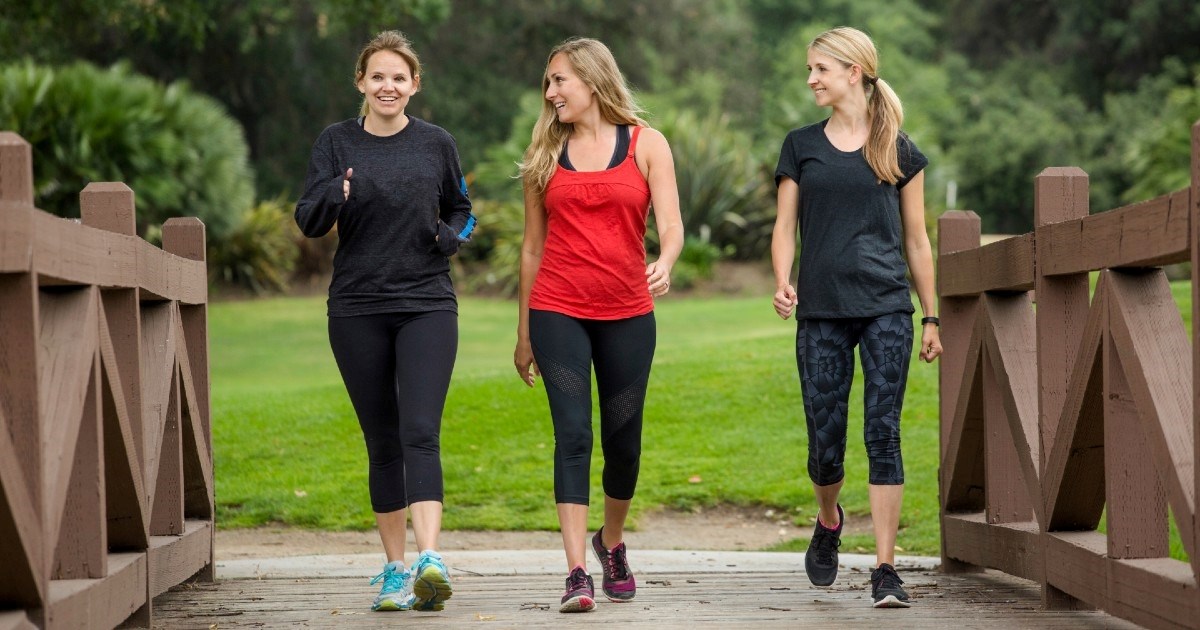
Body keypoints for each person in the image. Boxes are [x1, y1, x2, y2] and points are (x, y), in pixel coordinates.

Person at [294, 29, 475, 613]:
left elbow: (463, 208)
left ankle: (430, 560)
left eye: (399, 77)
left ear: (414, 84)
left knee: (421, 429)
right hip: (356, 308)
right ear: (361, 83)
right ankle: (395, 571)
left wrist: (449, 237)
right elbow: (307, 219)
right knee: (383, 441)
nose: (388, 85)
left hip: (426, 303)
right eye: (377, 76)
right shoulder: (335, 142)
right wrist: (336, 194)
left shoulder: (436, 144)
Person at [769, 26, 941, 609]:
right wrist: (782, 280)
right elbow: (784, 226)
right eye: (810, 69)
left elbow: (917, 241)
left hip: (887, 308)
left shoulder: (900, 150)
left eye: (820, 68)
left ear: (854, 72)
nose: (812, 78)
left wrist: (931, 316)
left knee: (883, 433)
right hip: (820, 312)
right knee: (825, 445)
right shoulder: (800, 145)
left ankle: (886, 569)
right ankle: (829, 517)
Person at [513, 37, 684, 614]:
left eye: (559, 80)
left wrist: (665, 260)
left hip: (628, 312)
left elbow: (673, 223)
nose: (551, 92)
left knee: (623, 443)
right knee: (573, 435)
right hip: (557, 307)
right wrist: (523, 333)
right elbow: (532, 248)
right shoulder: (544, 150)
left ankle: (610, 543)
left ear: (592, 80)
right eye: (548, 82)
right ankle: (577, 573)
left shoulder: (646, 143)